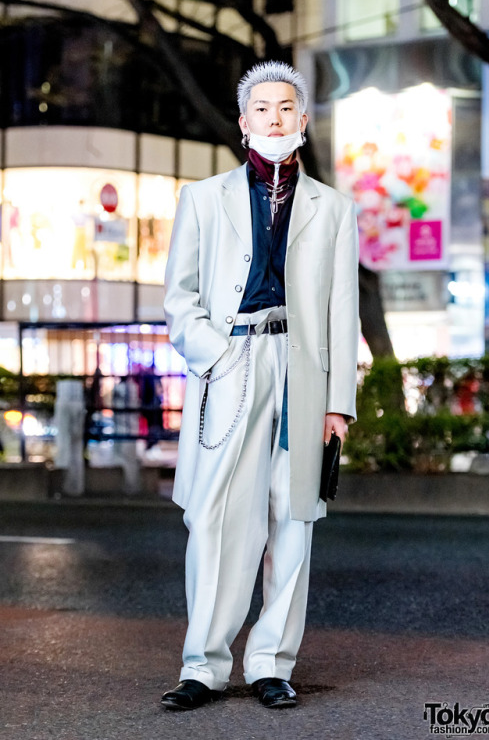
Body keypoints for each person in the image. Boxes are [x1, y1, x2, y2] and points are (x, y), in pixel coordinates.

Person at [161, 61, 359, 711]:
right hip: (231, 362)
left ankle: (272, 661)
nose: (275, 118)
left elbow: (342, 310)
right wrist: (215, 357)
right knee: (217, 520)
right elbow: (179, 301)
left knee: (293, 519)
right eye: (262, 109)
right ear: (244, 122)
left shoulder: (334, 208)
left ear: (303, 121)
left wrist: (338, 404)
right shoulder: (202, 199)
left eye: (286, 108)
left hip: (301, 368)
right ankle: (203, 666)